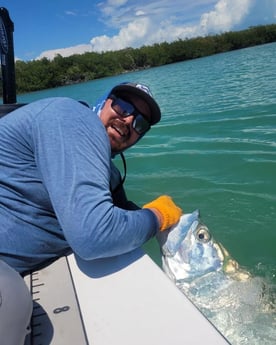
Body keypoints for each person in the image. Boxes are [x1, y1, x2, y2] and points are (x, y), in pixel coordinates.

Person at [0, 81, 182, 344]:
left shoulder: (109, 172)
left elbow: (119, 214)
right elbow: (95, 236)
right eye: (122, 105)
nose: (128, 120)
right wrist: (158, 217)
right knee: (12, 302)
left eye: (140, 123)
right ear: (103, 101)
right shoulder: (75, 118)